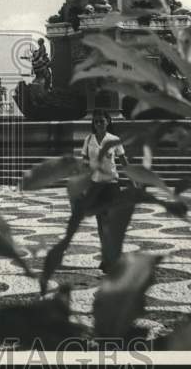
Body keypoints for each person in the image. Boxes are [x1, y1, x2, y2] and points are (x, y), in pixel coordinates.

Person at [72, 109, 136, 273]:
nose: (99, 124)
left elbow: (123, 162)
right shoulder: (88, 139)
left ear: (108, 121)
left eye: (102, 121)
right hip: (95, 185)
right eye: (96, 121)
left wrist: (132, 180)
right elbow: (85, 164)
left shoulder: (114, 140)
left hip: (112, 185)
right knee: (101, 223)